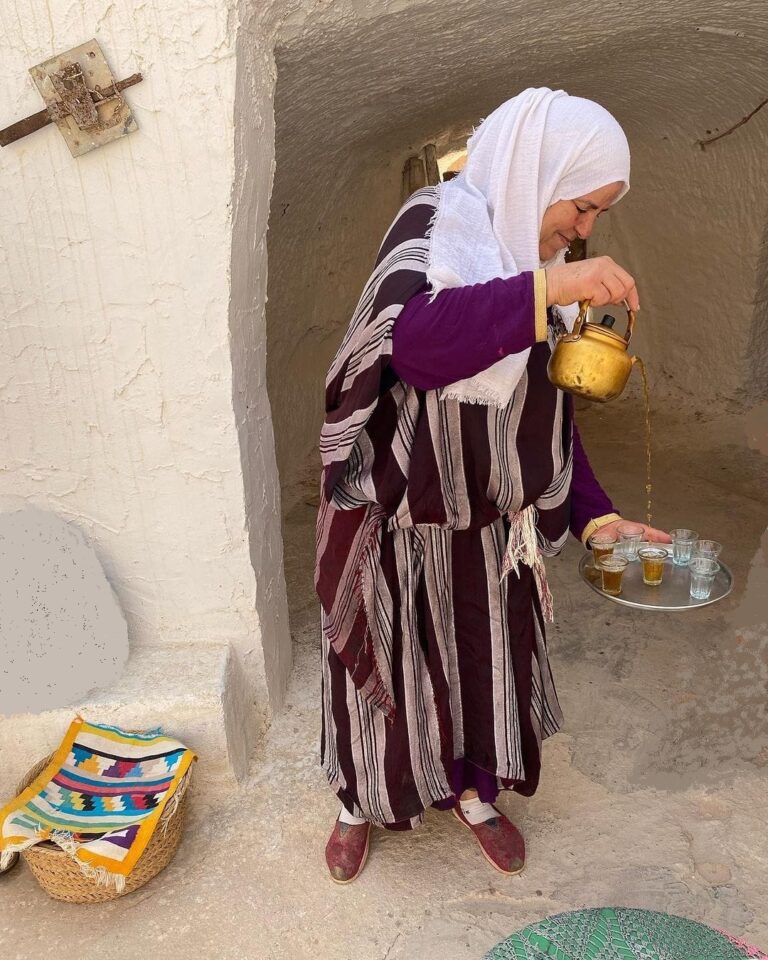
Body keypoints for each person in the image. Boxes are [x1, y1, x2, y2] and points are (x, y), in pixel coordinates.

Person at [315, 87, 671, 884]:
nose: (582, 231)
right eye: (581, 207)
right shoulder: (435, 226)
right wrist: (550, 290)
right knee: (383, 676)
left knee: (482, 669)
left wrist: (597, 518)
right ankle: (358, 802)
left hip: (487, 528)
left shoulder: (537, 266)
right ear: (539, 173)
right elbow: (415, 346)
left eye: (594, 217)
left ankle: (475, 796)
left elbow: (546, 421)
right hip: (397, 518)